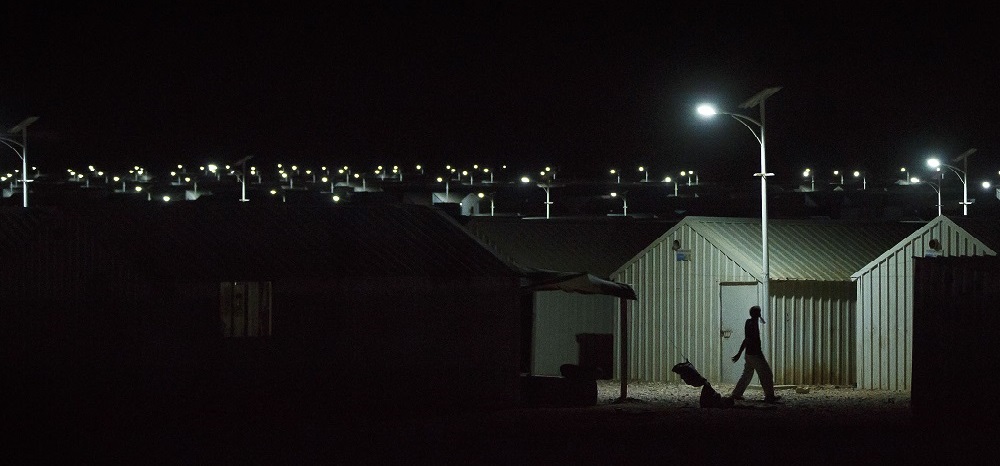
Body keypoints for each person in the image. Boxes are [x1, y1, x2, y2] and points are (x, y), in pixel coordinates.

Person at [731, 305, 781, 403]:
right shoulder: (752, 323)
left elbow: (746, 339)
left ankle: (736, 393)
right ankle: (769, 396)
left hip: (749, 354)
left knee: (747, 374)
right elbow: (748, 339)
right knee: (766, 374)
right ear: (756, 313)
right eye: (758, 312)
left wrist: (740, 353)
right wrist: (739, 353)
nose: (760, 313)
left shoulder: (749, 322)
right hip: (755, 354)